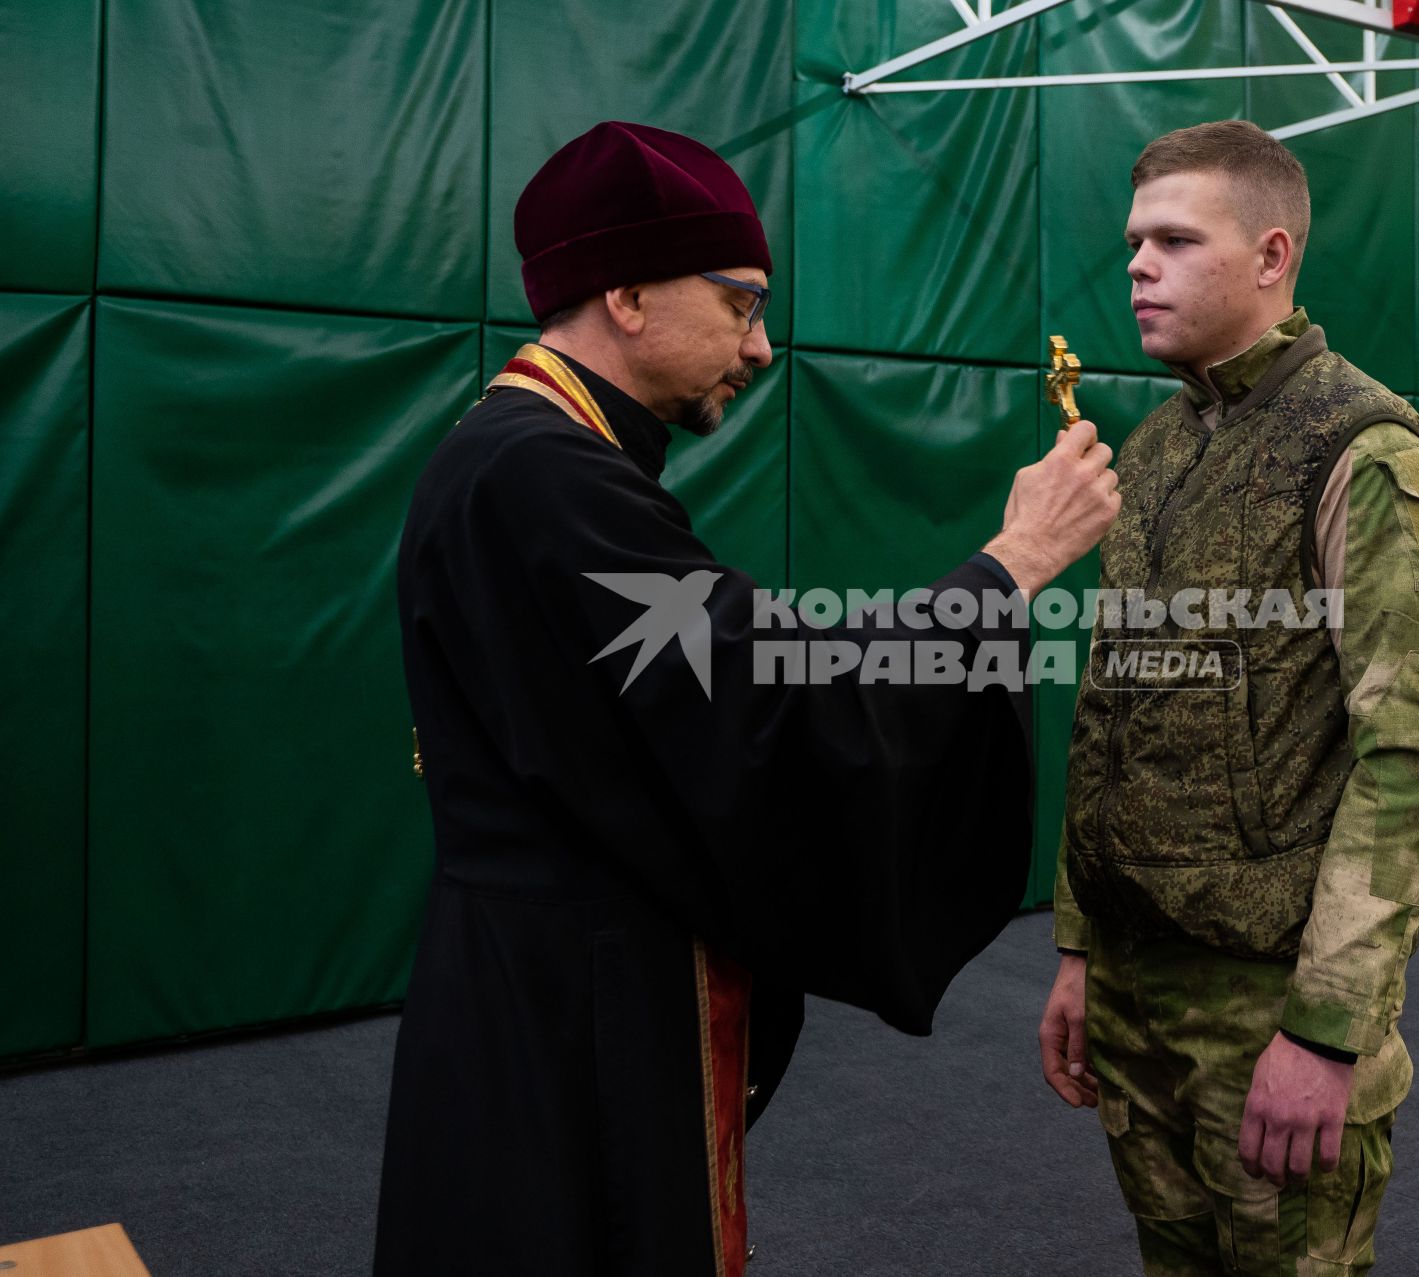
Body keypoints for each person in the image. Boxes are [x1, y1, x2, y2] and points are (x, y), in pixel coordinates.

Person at [373, 121, 1119, 1276]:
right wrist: (1010, 568)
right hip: (572, 1004)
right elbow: (771, 703)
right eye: (741, 305)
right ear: (626, 293)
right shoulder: (545, 470)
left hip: (541, 976)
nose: (761, 348)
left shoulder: (528, 450)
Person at [1038, 119, 1419, 1275]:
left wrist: (1328, 1027)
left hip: (1272, 1004)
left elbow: (1409, 758)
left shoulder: (1367, 449)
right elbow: (1111, 715)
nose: (1137, 263)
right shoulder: (1146, 451)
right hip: (1138, 992)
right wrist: (1083, 945)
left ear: (1271, 254)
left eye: (1175, 239)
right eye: (1134, 240)